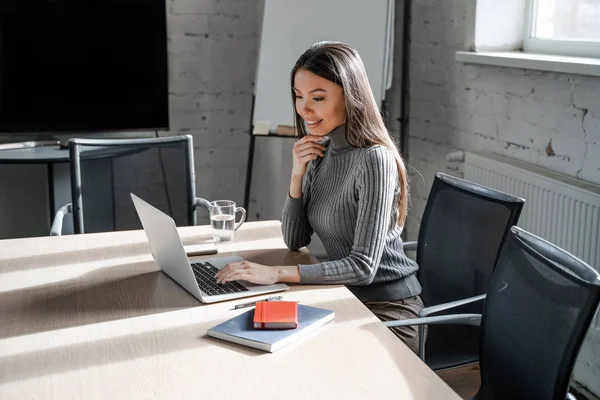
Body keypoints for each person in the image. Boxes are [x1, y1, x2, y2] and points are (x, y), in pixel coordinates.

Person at [216, 41, 423, 353]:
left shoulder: (374, 159)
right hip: (344, 298)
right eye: (299, 97)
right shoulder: (322, 148)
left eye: (318, 98)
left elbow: (364, 267)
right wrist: (297, 174)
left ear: (349, 96)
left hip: (388, 310)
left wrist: (274, 273)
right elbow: (295, 238)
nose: (304, 109)